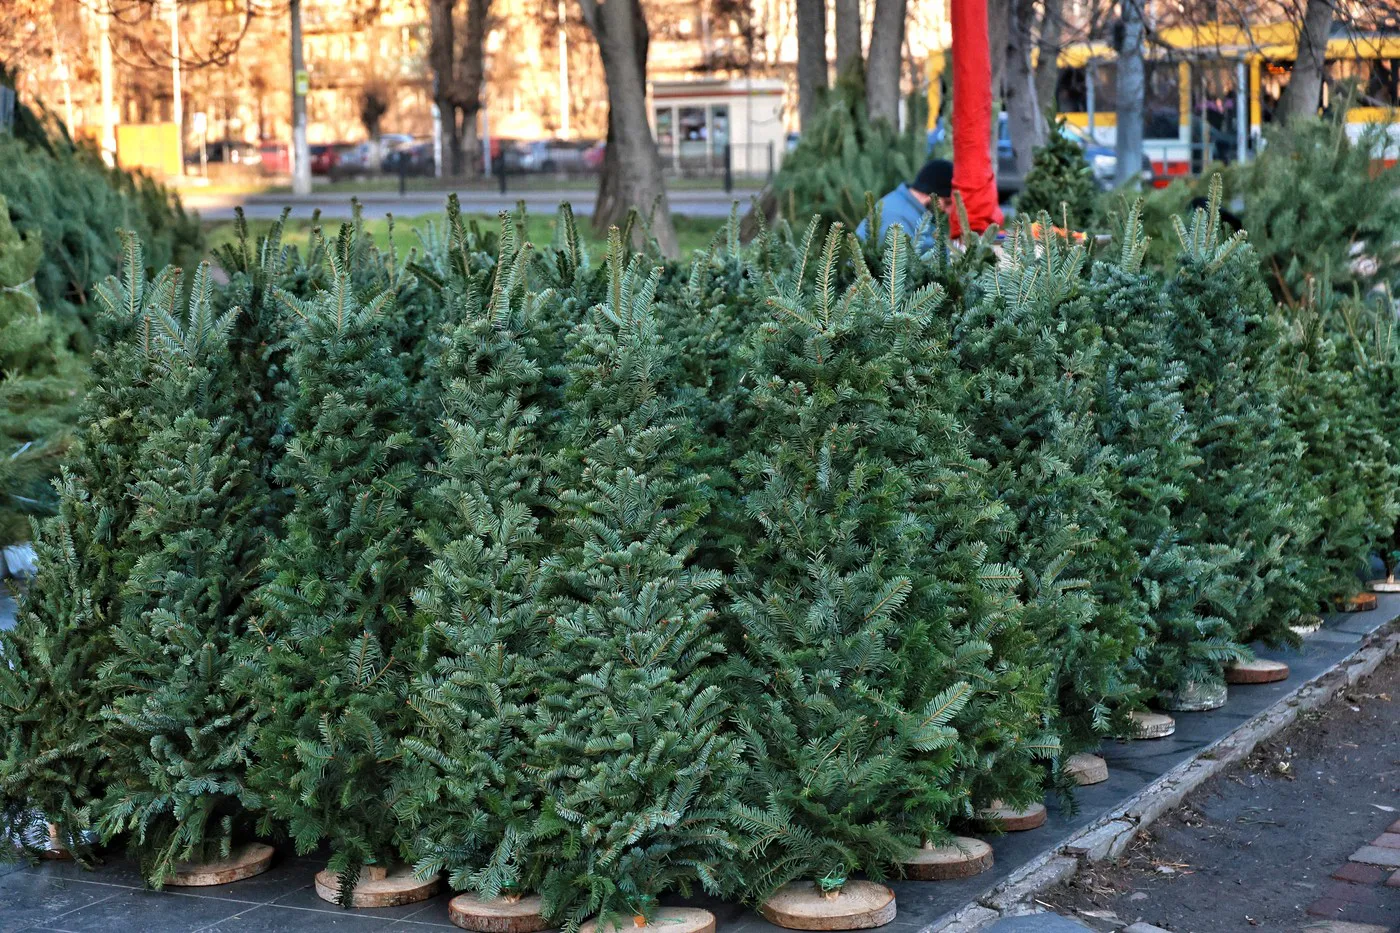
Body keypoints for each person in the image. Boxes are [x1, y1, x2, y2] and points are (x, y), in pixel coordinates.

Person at [855, 159, 954, 252]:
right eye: (947, 202)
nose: (948, 211)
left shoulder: (912, 211)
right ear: (931, 195)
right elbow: (916, 262)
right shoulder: (897, 217)